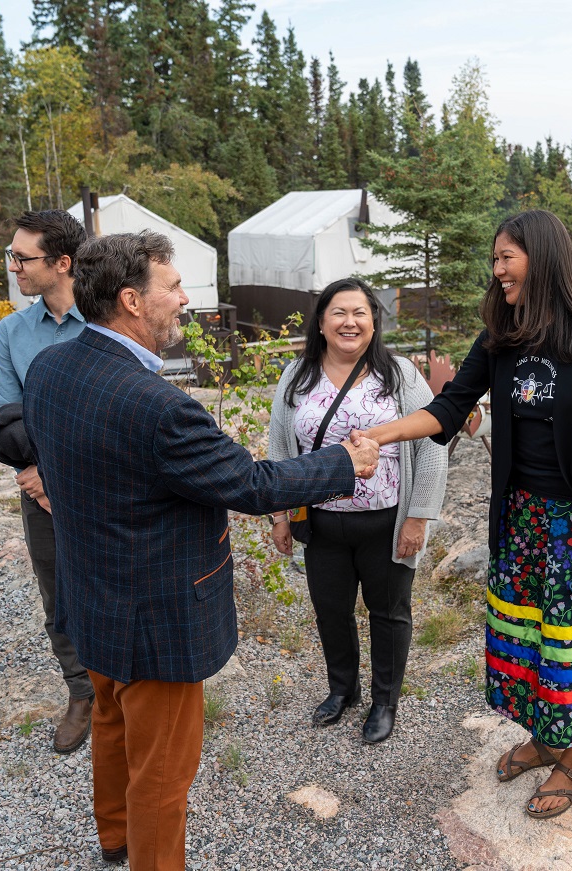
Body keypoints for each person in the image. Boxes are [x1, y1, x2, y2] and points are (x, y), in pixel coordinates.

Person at [22, 231, 379, 870]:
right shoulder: (157, 405)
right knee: (162, 773)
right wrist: (343, 463)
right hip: (154, 623)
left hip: (92, 600)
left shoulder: (51, 367)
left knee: (109, 720)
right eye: (174, 286)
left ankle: (114, 837)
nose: (186, 299)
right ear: (133, 301)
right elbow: (251, 483)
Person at [354, 210, 572, 818]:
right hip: (520, 520)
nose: (497, 270)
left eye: (505, 257)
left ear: (539, 256)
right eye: (494, 259)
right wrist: (377, 434)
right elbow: (448, 408)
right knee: (528, 640)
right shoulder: (501, 336)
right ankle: (546, 738)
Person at [268, 278, 448, 744]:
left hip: (385, 521)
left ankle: (384, 700)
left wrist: (417, 516)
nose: (350, 322)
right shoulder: (297, 375)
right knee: (330, 609)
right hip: (321, 521)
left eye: (360, 313)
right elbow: (280, 447)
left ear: (373, 322)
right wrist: (281, 514)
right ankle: (341, 689)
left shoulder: (399, 374)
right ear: (322, 323)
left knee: (389, 612)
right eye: (339, 313)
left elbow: (432, 445)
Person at [0, 209, 94, 753]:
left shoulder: (106, 319)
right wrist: (35, 478)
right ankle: (81, 691)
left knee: (116, 581)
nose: (13, 268)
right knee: (59, 593)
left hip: (107, 485)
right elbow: (7, 415)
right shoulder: (12, 332)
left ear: (62, 262)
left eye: (21, 258)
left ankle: (122, 681)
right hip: (42, 492)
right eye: (12, 256)